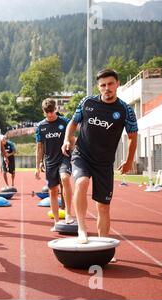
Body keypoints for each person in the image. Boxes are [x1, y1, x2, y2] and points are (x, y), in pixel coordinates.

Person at [62, 69, 138, 244]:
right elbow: (72, 123)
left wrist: (129, 160)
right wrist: (67, 139)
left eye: (110, 84)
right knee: (81, 182)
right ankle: (82, 228)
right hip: (82, 155)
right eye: (103, 85)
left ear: (117, 84)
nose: (107, 88)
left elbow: (133, 138)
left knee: (103, 207)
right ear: (98, 87)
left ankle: (104, 245)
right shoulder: (87, 102)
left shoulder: (126, 110)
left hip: (104, 163)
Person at [35, 98, 75, 231]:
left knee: (65, 178)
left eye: (51, 111)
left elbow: (72, 138)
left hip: (64, 157)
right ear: (43, 112)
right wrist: (38, 165)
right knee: (53, 190)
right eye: (47, 112)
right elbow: (39, 147)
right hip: (49, 161)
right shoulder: (40, 126)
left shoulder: (65, 121)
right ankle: (57, 221)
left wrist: (72, 150)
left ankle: (68, 214)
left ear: (56, 109)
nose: (50, 115)